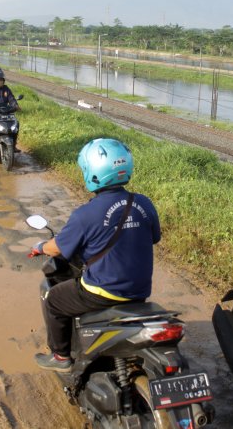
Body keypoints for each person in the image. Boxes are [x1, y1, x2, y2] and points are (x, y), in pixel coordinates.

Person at [30, 138, 161, 371]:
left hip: (104, 293)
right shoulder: (143, 203)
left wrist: (40, 247)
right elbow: (153, 237)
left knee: (54, 299)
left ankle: (60, 357)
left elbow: (56, 248)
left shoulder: (87, 213)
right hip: (139, 292)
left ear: (93, 172)